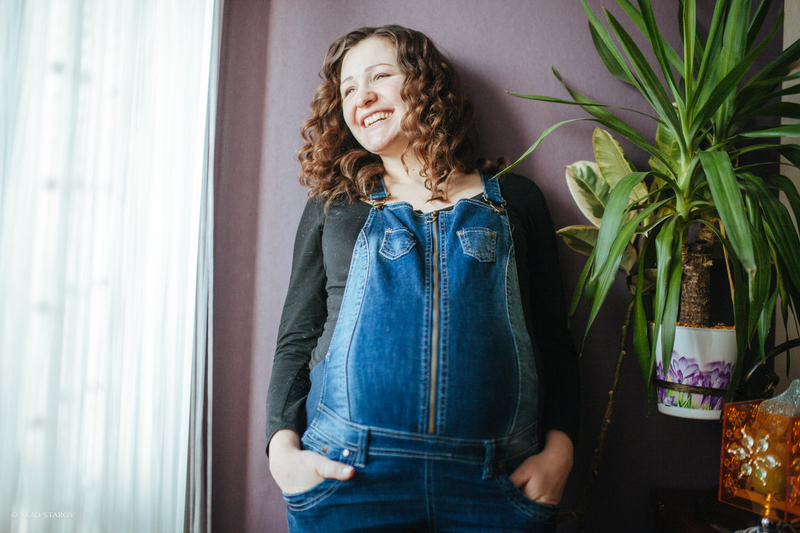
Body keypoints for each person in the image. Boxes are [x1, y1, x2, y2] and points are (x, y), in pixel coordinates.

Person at [265, 25, 579, 533]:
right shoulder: (334, 206)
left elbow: (553, 339)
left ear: (426, 84)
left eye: (379, 76)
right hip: (347, 485)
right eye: (348, 89)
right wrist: (282, 451)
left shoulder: (517, 199)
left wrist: (560, 453)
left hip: (497, 488)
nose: (362, 96)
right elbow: (297, 337)